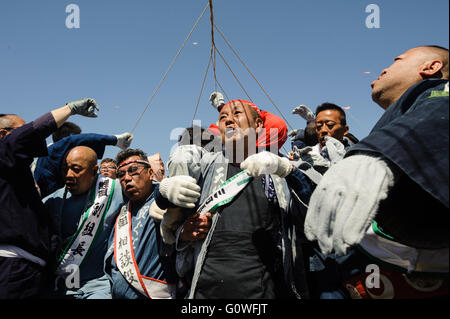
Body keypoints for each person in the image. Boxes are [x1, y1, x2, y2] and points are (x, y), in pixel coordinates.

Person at [305, 45, 449, 298]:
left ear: (431, 67)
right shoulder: (404, 115)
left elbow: (440, 107)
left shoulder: (437, 94)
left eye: (397, 60)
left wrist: (377, 152)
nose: (384, 68)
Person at [159, 99, 315, 299]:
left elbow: (316, 211)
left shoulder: (278, 167)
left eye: (237, 114)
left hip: (267, 290)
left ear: (258, 125)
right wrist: (167, 199)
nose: (229, 121)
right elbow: (172, 213)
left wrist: (288, 171)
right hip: (204, 290)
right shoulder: (204, 165)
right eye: (223, 118)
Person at [0, 98, 99, 298]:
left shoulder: (15, 173)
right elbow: (34, 131)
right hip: (15, 269)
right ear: (3, 135)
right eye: (22, 129)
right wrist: (69, 110)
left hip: (31, 271)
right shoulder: (3, 151)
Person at [43, 146, 124, 299]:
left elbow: (150, 191)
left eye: (76, 169)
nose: (68, 175)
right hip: (61, 287)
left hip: (99, 286)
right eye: (65, 169)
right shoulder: (53, 201)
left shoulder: (114, 190)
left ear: (94, 171)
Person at [104, 149, 177, 299]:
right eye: (121, 175)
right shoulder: (121, 213)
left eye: (133, 170)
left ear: (150, 173)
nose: (127, 178)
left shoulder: (164, 200)